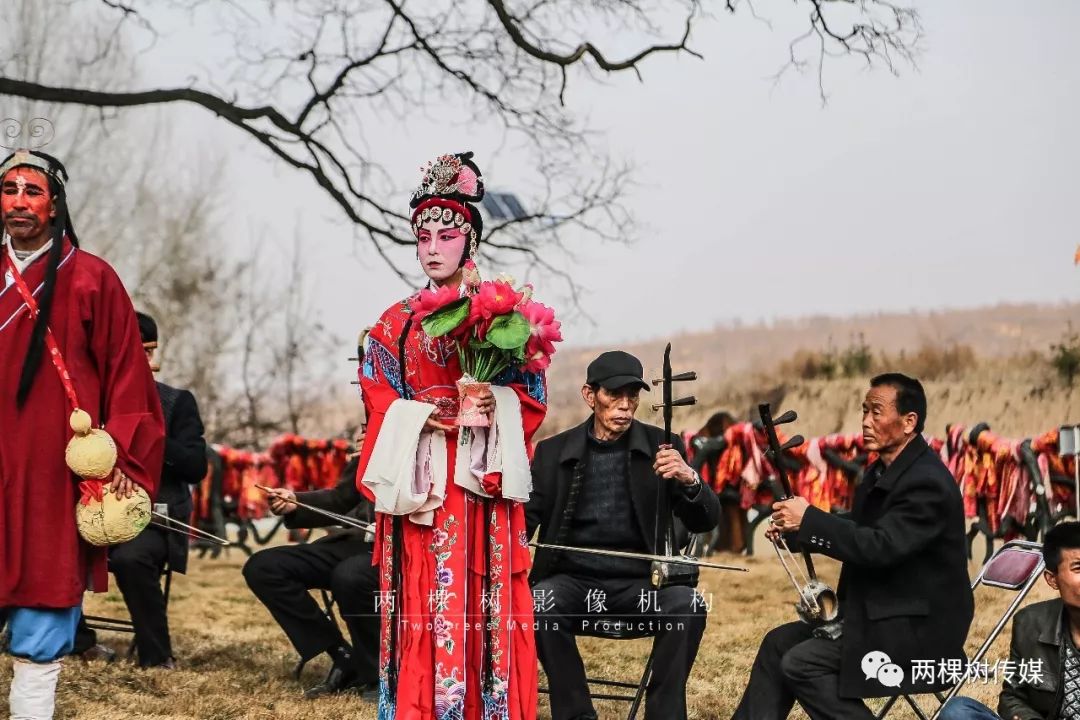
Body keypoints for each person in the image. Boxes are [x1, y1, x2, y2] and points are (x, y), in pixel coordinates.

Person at [355, 151, 547, 719]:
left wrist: (498, 399)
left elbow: (534, 397)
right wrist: (418, 417)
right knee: (423, 597)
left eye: (445, 234)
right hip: (422, 491)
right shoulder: (394, 323)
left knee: (478, 596)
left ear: (470, 243)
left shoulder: (503, 316)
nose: (433, 246)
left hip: (477, 488)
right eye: (423, 237)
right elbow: (377, 399)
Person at [0, 150, 164, 719]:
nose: (19, 201)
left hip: (52, 469)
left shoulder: (92, 277)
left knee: (43, 601)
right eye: (10, 188)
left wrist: (116, 451)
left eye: (33, 191)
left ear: (55, 203)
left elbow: (129, 380)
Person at [732, 372, 974, 720]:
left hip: (919, 633)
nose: (865, 421)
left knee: (802, 663)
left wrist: (811, 519)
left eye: (876, 412)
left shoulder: (927, 483)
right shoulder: (883, 473)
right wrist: (796, 530)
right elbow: (860, 530)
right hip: (882, 616)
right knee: (777, 645)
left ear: (909, 422)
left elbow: (880, 546)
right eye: (864, 411)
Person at [526, 350, 722, 720]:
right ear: (589, 395)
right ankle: (576, 713)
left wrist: (690, 479)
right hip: (572, 583)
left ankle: (663, 713)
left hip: (641, 585)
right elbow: (523, 522)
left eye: (632, 396)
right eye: (614, 395)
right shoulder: (553, 453)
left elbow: (705, 520)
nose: (625, 406)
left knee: (689, 606)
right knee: (538, 603)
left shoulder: (663, 447)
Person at [73, 311, 208, 667]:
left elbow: (196, 466)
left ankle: (156, 654)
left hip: (150, 519)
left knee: (131, 558)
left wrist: (150, 436)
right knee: (53, 546)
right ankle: (77, 639)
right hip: (92, 509)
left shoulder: (176, 402)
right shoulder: (86, 402)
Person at [244, 454, 380, 700]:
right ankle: (342, 656)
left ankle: (378, 674)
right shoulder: (372, 443)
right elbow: (341, 498)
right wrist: (296, 502)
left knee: (349, 575)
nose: (364, 431)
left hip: (406, 548)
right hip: (356, 542)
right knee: (264, 567)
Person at [938, 521, 1080, 720]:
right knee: (958, 711)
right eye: (1078, 568)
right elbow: (1012, 697)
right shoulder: (1029, 623)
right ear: (1052, 579)